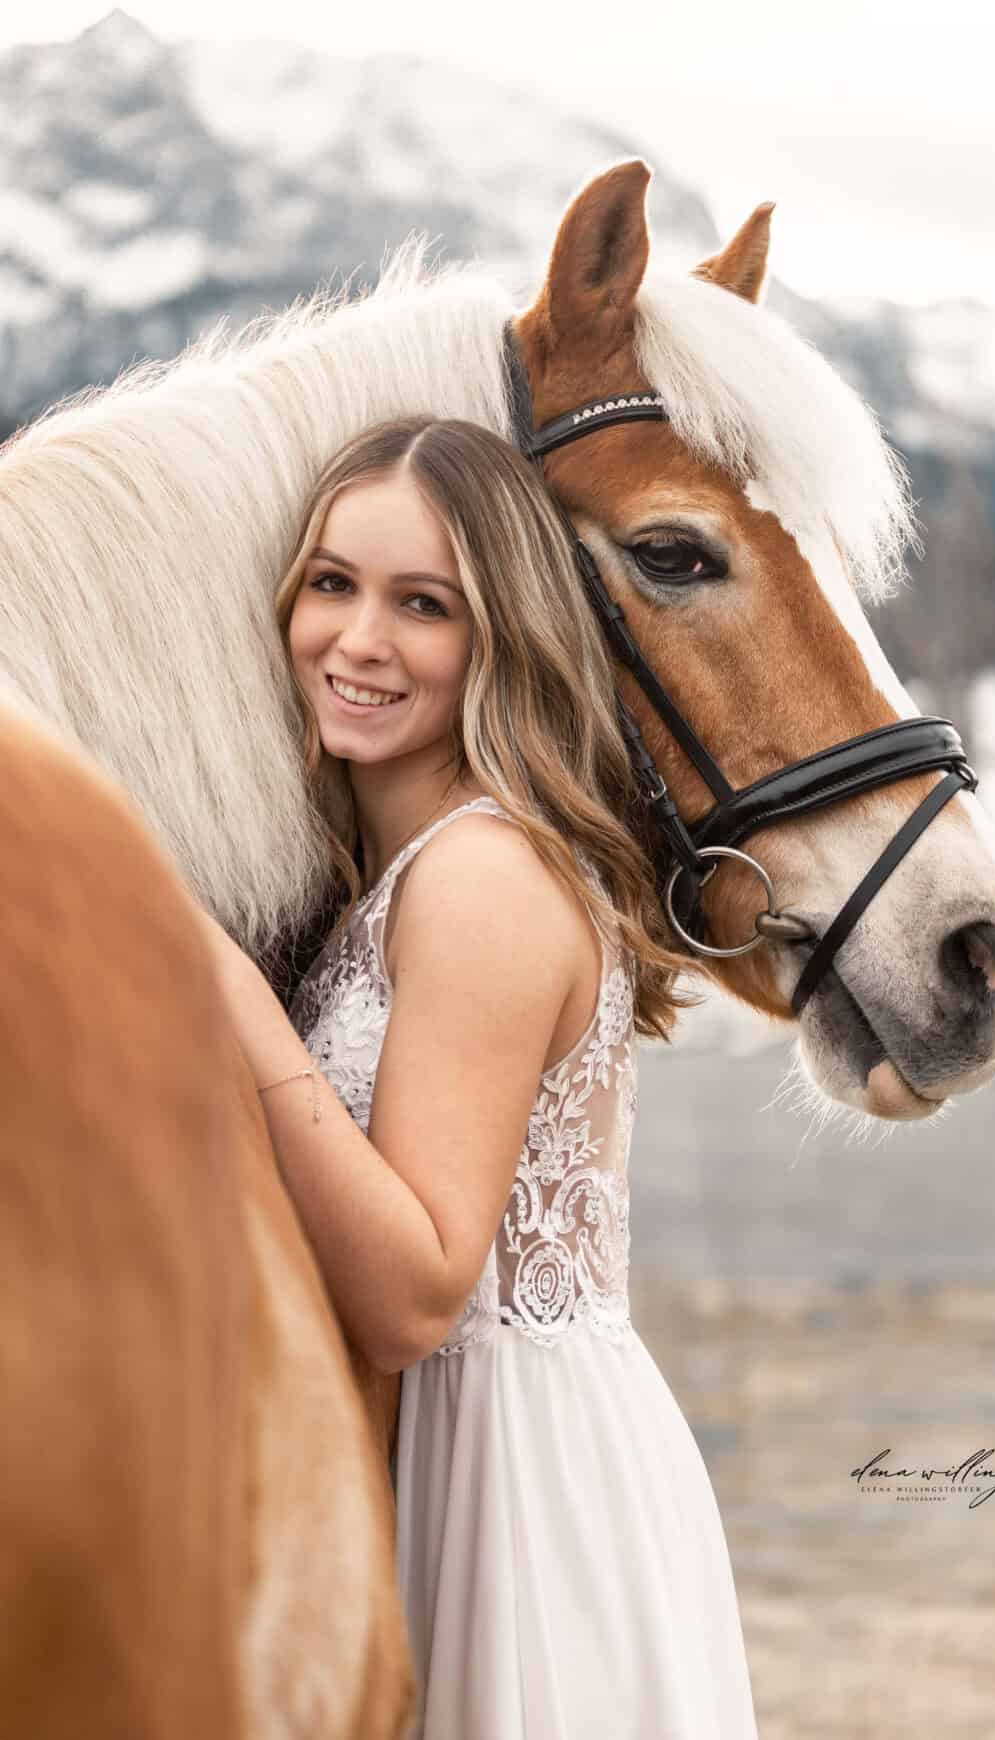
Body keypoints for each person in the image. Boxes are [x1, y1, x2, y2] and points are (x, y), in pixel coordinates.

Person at [201, 415, 760, 1738]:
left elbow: (412, 1291)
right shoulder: (404, 877)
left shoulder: (483, 880)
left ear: (501, 632)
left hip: (512, 1484)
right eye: (331, 584)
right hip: (429, 1456)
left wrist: (226, 996)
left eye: (423, 605)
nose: (359, 641)